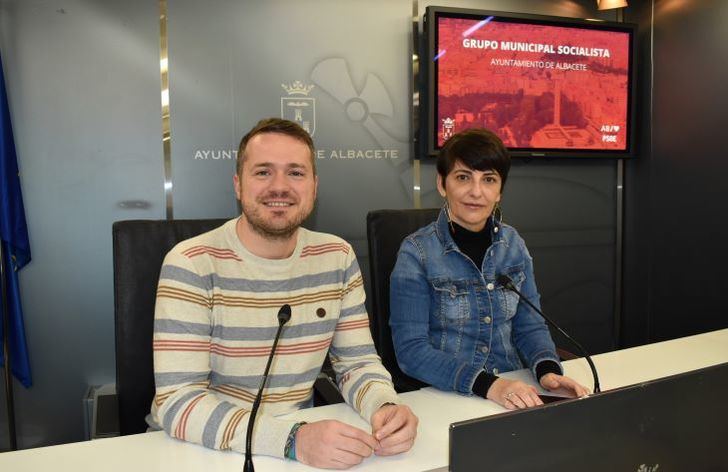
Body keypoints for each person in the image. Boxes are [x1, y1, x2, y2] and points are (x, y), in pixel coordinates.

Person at [150, 118, 417, 469]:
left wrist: (384, 407)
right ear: (238, 185)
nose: (280, 187)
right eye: (263, 172)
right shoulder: (191, 263)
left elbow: (357, 363)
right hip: (201, 450)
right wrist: (291, 440)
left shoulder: (336, 257)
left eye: (295, 173)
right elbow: (179, 401)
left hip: (299, 452)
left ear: (314, 186)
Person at [389, 128, 589, 410]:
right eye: (463, 177)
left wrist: (547, 371)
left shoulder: (513, 244)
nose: (476, 192)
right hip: (449, 395)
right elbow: (411, 351)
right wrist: (488, 385)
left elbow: (529, 326)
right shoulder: (416, 253)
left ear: (499, 192)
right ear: (442, 184)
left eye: (489, 180)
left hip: (515, 388)